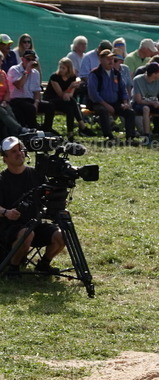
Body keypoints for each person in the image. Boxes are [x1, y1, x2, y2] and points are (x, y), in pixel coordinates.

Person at [0, 136, 66, 277]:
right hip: (9, 227)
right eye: (13, 152)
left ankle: (44, 264)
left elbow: (49, 197)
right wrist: (6, 212)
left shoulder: (36, 175)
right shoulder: (2, 179)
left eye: (21, 150)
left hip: (35, 223)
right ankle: (14, 267)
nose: (19, 153)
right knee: (27, 234)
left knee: (62, 235)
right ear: (5, 158)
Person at [86, 49, 136, 143]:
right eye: (108, 59)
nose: (111, 61)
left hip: (115, 102)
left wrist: (125, 102)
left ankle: (130, 138)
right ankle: (109, 137)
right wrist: (106, 105)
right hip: (99, 103)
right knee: (102, 111)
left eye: (112, 59)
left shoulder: (116, 73)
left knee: (130, 112)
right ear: (101, 60)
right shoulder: (95, 74)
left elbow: (123, 89)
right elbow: (93, 94)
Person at [41, 57, 85, 139]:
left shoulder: (72, 77)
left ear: (69, 69)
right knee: (71, 101)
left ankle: (70, 133)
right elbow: (61, 94)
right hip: (52, 100)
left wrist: (70, 90)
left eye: (63, 68)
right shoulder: (54, 77)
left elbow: (70, 95)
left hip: (64, 101)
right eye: (60, 67)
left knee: (70, 107)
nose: (61, 69)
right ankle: (82, 124)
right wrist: (70, 87)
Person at [132, 61, 159, 143]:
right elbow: (138, 100)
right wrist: (152, 103)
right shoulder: (137, 80)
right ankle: (147, 136)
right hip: (140, 104)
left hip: (154, 103)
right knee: (146, 109)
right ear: (154, 74)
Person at [7, 49, 42, 130]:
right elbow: (19, 85)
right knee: (29, 108)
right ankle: (33, 129)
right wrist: (26, 71)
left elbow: (37, 91)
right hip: (17, 100)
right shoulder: (14, 69)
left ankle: (46, 128)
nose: (30, 62)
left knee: (49, 106)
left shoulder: (35, 73)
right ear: (22, 59)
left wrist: (36, 103)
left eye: (33, 60)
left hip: (30, 100)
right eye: (28, 59)